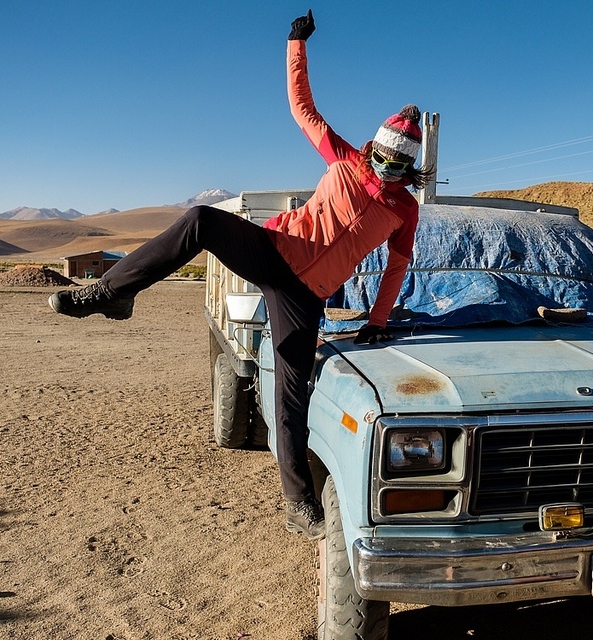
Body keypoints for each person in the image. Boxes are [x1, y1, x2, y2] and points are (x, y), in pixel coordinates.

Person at [48, 9, 432, 540]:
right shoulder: (345, 160)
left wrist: (379, 320)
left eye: (397, 164)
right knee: (201, 220)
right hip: (273, 250)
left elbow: (398, 265)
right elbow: (303, 110)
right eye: (383, 156)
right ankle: (112, 293)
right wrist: (296, 44)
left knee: (293, 394)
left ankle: (298, 503)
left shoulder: (404, 210)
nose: (386, 168)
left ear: (409, 165)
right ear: (376, 146)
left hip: (306, 296)